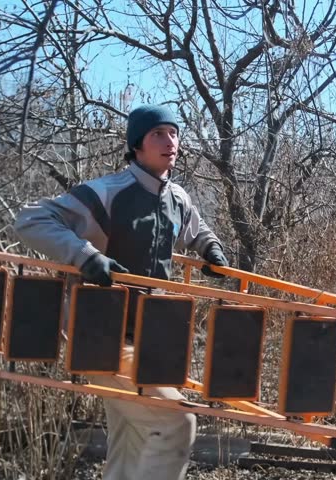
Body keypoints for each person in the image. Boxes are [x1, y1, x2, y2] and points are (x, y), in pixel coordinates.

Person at [13, 104, 228, 480]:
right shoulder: (107, 193)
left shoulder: (176, 196)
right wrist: (84, 255)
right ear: (137, 145)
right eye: (158, 134)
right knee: (177, 422)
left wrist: (211, 249)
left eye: (174, 133)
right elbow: (31, 219)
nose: (170, 141)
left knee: (131, 443)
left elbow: (196, 229)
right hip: (100, 335)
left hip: (148, 341)